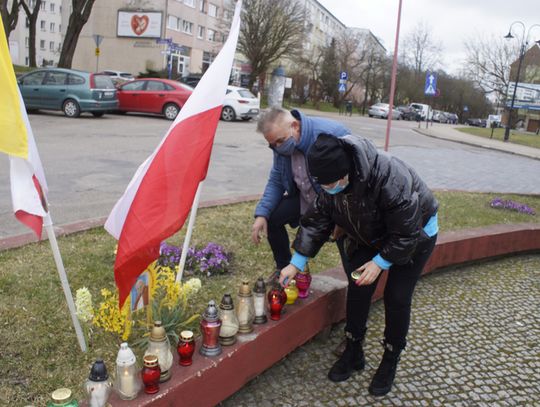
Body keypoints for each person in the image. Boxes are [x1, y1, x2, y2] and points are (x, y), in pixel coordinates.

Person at [278, 134, 439, 396]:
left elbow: (407, 233)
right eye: (323, 184)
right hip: (372, 232)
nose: (327, 188)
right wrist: (296, 262)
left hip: (416, 234)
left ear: (347, 172)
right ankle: (354, 349)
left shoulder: (389, 177)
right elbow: (318, 219)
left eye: (331, 183)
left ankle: (390, 358)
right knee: (358, 284)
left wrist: (381, 262)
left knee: (396, 296)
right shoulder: (331, 182)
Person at [251, 108, 350, 282]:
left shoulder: (332, 134)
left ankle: (356, 280)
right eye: (272, 144)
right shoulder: (281, 147)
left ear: (295, 126)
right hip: (305, 197)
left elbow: (352, 181)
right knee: (272, 218)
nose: (278, 148)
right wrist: (262, 213)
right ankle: (284, 268)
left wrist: (341, 218)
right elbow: (276, 179)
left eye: (280, 141)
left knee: (348, 248)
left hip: (335, 200)